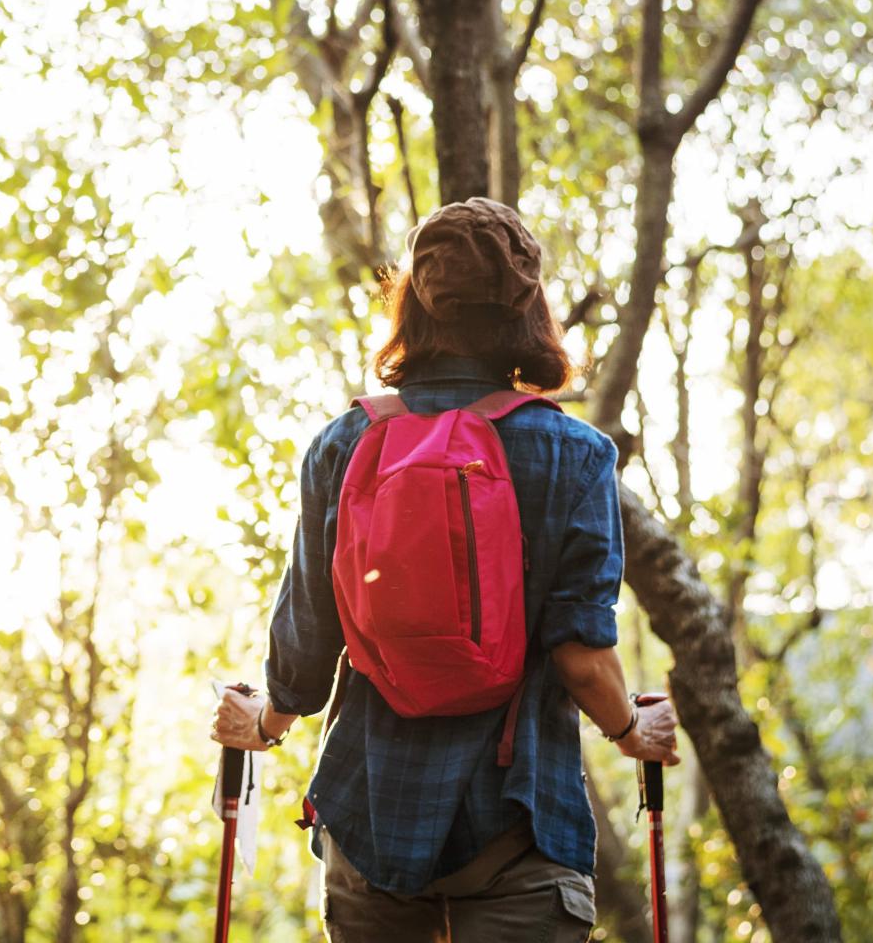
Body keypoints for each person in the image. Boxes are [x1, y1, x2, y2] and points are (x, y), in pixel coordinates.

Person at [210, 197, 680, 941]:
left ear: (415, 304)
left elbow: (306, 643)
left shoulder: (344, 444)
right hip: (520, 822)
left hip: (369, 813)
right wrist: (632, 730)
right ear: (528, 311)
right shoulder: (577, 454)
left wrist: (261, 726)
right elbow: (581, 658)